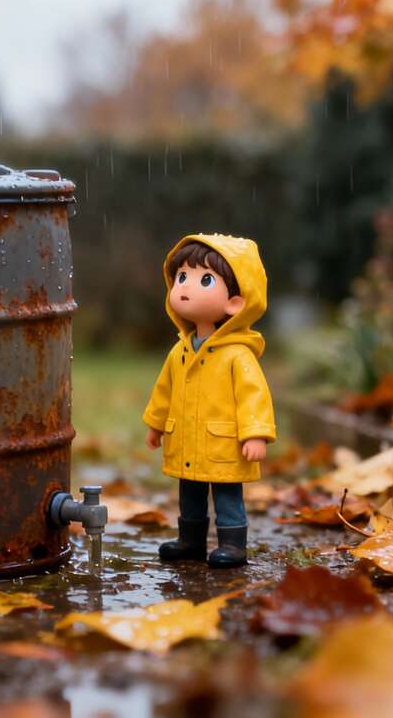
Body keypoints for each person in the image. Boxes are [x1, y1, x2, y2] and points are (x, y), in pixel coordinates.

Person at [142, 234, 275, 568]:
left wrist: (255, 433)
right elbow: (164, 391)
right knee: (190, 495)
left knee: (227, 495)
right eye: (181, 277)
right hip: (187, 442)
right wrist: (156, 425)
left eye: (204, 280)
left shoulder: (237, 355)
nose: (185, 286)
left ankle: (233, 544)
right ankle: (190, 540)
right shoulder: (180, 350)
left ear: (235, 302)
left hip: (224, 444)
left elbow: (253, 396)